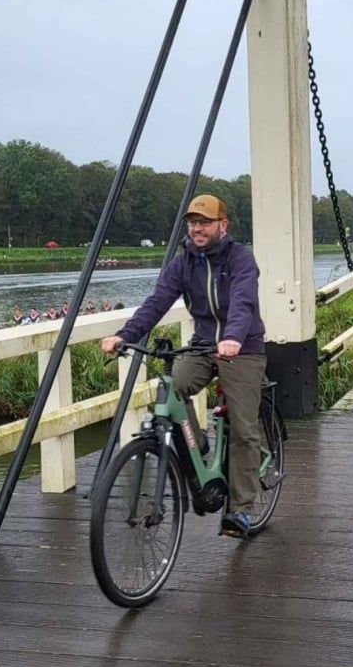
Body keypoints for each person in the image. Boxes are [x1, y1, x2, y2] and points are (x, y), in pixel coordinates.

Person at [100, 194, 268, 539]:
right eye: (192, 223)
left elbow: (243, 301)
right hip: (204, 346)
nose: (197, 229)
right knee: (173, 388)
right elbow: (158, 301)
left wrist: (234, 337)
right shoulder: (182, 263)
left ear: (223, 225)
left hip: (243, 348)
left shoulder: (240, 259)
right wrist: (125, 334)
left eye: (204, 222)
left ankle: (241, 508)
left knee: (243, 428)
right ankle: (200, 448)